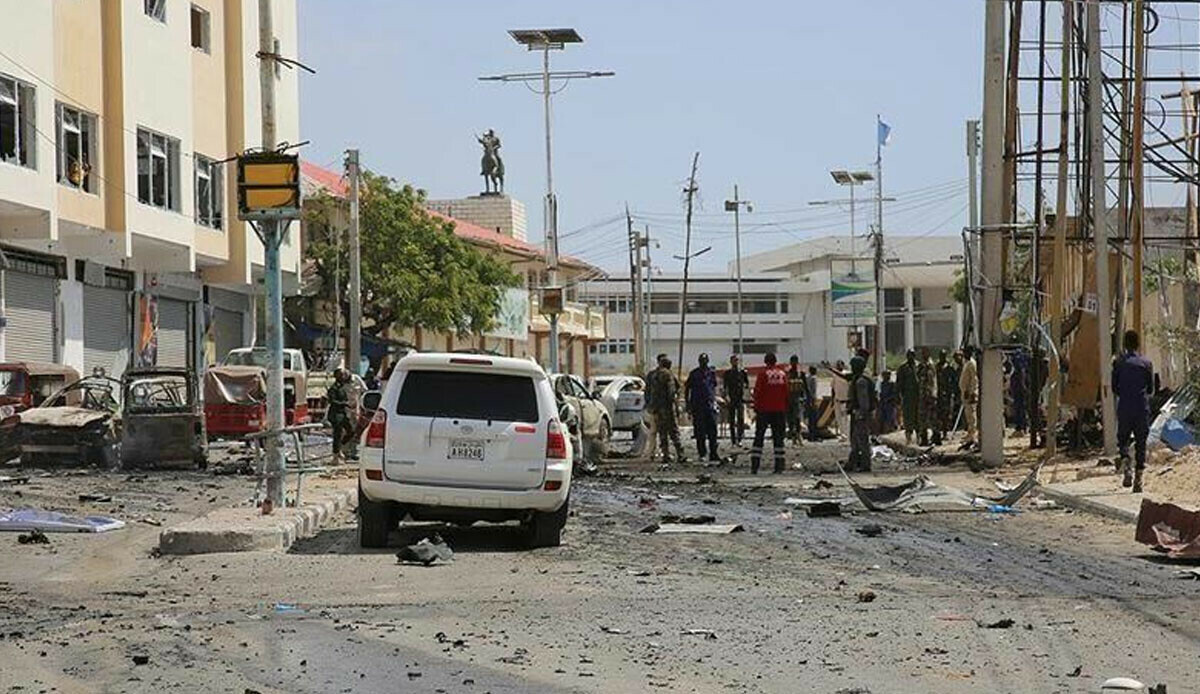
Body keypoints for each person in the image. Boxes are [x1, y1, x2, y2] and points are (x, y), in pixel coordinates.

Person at [1113, 330, 1154, 493]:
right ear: (1138, 344)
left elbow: (1114, 387)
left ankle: (1126, 464)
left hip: (1125, 407)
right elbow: (1150, 389)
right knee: (1141, 443)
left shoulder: (1119, 363)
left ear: (1125, 344)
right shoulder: (1146, 363)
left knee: (1123, 439)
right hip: (1141, 407)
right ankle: (1139, 479)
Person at [750, 352, 789, 474]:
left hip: (764, 410)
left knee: (759, 437)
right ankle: (779, 466)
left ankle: (755, 466)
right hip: (779, 410)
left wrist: (756, 407)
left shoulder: (763, 374)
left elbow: (758, 392)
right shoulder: (782, 374)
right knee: (778, 438)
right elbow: (786, 392)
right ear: (775, 361)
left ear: (765, 361)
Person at [646, 354, 686, 464]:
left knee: (662, 432)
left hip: (657, 408)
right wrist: (675, 404)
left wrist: (651, 406)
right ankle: (680, 454)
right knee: (674, 431)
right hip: (667, 408)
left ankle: (666, 454)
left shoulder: (653, 375)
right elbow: (671, 391)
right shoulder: (668, 375)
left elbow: (649, 392)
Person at [685, 353, 720, 461]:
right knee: (700, 432)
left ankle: (713, 453)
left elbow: (713, 387)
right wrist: (688, 404)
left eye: (705, 360)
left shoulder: (711, 373)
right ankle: (702, 453)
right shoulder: (694, 374)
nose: (703, 362)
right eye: (701, 361)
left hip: (709, 405)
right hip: (698, 406)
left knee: (713, 431)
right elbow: (687, 389)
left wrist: (715, 401)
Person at [846, 356, 876, 472]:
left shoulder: (861, 382)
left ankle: (865, 464)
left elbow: (864, 401)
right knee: (855, 440)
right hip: (858, 414)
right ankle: (852, 462)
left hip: (861, 415)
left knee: (862, 440)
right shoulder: (859, 379)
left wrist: (861, 414)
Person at [327, 368, 354, 463]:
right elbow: (332, 401)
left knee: (351, 431)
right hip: (335, 414)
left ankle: (339, 448)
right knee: (337, 435)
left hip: (343, 413)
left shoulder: (342, 387)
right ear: (336, 376)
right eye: (341, 375)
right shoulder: (333, 388)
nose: (343, 376)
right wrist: (345, 404)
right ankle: (335, 457)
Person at [723, 355, 749, 446]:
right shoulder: (728, 373)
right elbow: (725, 387)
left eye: (737, 360)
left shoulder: (742, 372)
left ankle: (740, 438)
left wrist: (745, 394)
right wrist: (726, 397)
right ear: (731, 362)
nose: (735, 362)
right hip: (732, 398)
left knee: (740, 419)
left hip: (740, 398)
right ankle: (733, 440)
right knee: (732, 420)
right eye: (734, 360)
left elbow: (746, 384)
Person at [896, 350, 920, 445]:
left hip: (918, 396)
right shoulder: (903, 368)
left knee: (918, 417)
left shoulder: (919, 366)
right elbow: (899, 383)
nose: (911, 357)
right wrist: (898, 395)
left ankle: (919, 437)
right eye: (909, 355)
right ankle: (908, 438)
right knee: (908, 417)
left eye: (912, 355)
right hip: (907, 396)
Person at [916, 347, 938, 447]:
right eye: (922, 353)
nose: (923, 355)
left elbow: (933, 381)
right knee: (922, 417)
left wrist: (933, 394)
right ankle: (924, 438)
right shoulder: (921, 365)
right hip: (923, 395)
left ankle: (936, 436)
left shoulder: (930, 365)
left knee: (932, 417)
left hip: (930, 395)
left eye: (924, 353)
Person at [959, 346, 979, 450]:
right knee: (968, 415)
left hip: (970, 394)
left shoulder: (972, 363)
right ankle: (970, 434)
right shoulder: (966, 362)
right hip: (965, 393)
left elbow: (974, 380)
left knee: (971, 415)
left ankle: (973, 436)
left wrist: (972, 393)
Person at [934, 350, 956, 445]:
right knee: (938, 415)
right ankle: (938, 433)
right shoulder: (937, 367)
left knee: (946, 415)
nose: (942, 357)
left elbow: (954, 380)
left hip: (947, 394)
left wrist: (952, 391)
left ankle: (945, 433)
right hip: (938, 393)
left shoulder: (949, 367)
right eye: (940, 355)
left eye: (943, 355)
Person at [786, 356, 807, 444]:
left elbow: (805, 386)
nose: (794, 364)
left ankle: (798, 434)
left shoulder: (800, 373)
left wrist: (806, 398)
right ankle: (793, 436)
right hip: (788, 398)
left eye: (795, 362)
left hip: (797, 398)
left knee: (797, 417)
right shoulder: (787, 373)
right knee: (790, 418)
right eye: (792, 362)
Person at [831, 359, 850, 440]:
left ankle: (847, 435)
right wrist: (832, 399)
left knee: (846, 419)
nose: (838, 366)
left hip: (845, 400)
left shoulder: (847, 374)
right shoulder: (834, 375)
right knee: (838, 419)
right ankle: (842, 435)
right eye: (837, 365)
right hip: (837, 399)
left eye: (840, 365)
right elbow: (833, 388)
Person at [805, 365, 820, 441]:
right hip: (812, 400)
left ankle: (811, 434)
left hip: (808, 399)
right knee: (814, 418)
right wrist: (813, 401)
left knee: (810, 418)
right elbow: (813, 391)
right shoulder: (813, 378)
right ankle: (814, 435)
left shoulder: (807, 378)